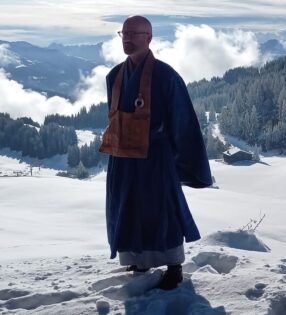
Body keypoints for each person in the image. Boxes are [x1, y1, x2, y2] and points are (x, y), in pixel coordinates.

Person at [100, 15, 212, 290]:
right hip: (122, 159)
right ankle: (138, 259)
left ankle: (174, 267)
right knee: (127, 209)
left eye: (134, 34)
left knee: (162, 211)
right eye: (123, 33)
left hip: (155, 159)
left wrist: (186, 164)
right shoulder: (115, 75)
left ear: (148, 38)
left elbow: (182, 121)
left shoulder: (166, 76)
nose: (127, 38)